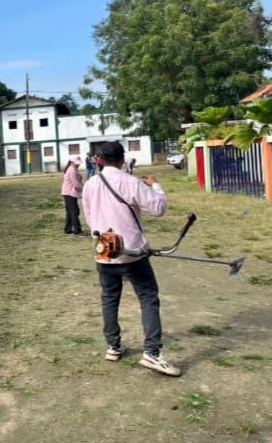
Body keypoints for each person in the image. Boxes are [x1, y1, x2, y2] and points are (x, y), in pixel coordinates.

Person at [82, 141, 180, 376]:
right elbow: (158, 208)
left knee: (109, 298)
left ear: (99, 160)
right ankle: (152, 352)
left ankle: (113, 346)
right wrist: (156, 186)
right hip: (132, 253)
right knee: (148, 298)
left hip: (104, 251)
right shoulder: (130, 182)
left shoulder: (90, 184)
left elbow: (89, 217)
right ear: (122, 159)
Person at [61, 155, 85, 237]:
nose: (78, 164)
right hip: (69, 193)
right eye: (76, 163)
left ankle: (68, 229)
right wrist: (83, 191)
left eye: (79, 163)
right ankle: (77, 231)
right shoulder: (72, 170)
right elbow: (76, 184)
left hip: (68, 193)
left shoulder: (73, 169)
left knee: (70, 212)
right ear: (71, 162)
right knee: (74, 212)